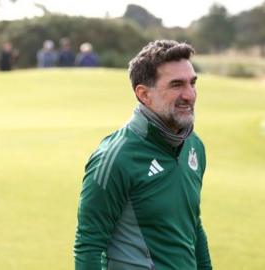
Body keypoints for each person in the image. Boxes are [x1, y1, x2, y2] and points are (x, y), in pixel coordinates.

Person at [74, 40, 212, 269]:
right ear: (144, 94)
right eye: (176, 85)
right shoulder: (115, 157)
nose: (190, 95)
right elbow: (89, 245)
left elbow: (192, 225)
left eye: (192, 83)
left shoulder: (194, 146)